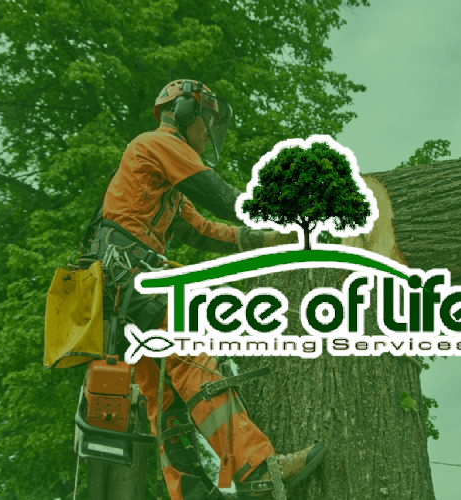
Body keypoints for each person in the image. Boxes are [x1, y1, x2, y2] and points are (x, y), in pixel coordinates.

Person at [80, 79, 325, 500]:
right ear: (185, 112)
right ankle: (256, 469)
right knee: (194, 356)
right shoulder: (157, 144)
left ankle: (191, 495)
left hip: (121, 292)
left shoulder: (166, 181)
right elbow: (222, 197)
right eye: (207, 120)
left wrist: (270, 240)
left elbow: (204, 232)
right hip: (131, 277)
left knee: (165, 398)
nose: (209, 132)